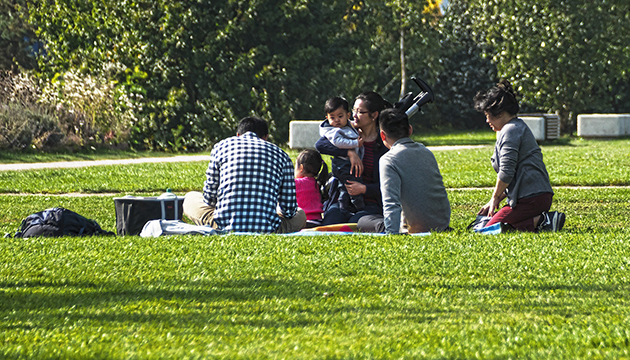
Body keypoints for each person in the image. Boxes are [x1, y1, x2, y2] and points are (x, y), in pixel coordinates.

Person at [183, 116, 306, 233]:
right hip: (268, 227)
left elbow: (209, 198)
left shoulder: (220, 147)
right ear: (266, 137)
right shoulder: (282, 156)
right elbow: (289, 211)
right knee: (300, 214)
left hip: (222, 225)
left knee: (190, 198)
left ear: (238, 135)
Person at [474, 80, 565, 232]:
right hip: (531, 197)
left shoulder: (511, 130)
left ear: (501, 113)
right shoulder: (512, 128)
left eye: (488, 115)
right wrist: (493, 202)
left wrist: (495, 198)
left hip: (531, 199)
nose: (487, 120)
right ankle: (542, 222)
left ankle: (543, 220)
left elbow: (507, 172)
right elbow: (513, 176)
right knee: (488, 225)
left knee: (490, 230)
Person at [357, 108, 451, 234]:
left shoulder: (389, 160)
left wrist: (392, 234)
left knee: (363, 221)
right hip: (441, 224)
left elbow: (391, 202)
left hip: (413, 229)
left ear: (382, 135)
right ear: (410, 130)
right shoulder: (426, 152)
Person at [315, 91, 390, 227]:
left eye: (360, 112)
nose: (354, 115)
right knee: (330, 223)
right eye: (353, 110)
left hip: (370, 203)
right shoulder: (347, 133)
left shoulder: (384, 146)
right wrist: (350, 152)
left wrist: (364, 189)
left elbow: (389, 186)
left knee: (356, 224)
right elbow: (320, 144)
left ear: (374, 115)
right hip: (342, 200)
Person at [318, 97, 365, 211]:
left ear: (347, 115)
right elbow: (338, 142)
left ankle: (344, 207)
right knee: (351, 184)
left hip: (344, 164)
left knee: (344, 187)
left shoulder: (345, 126)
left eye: (340, 116)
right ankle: (358, 206)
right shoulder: (332, 131)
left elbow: (350, 126)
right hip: (343, 165)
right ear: (327, 118)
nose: (337, 120)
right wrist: (354, 144)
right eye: (332, 118)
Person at [294, 149, 329, 227]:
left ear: (301, 167)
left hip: (303, 222)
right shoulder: (317, 184)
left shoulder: (296, 183)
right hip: (318, 222)